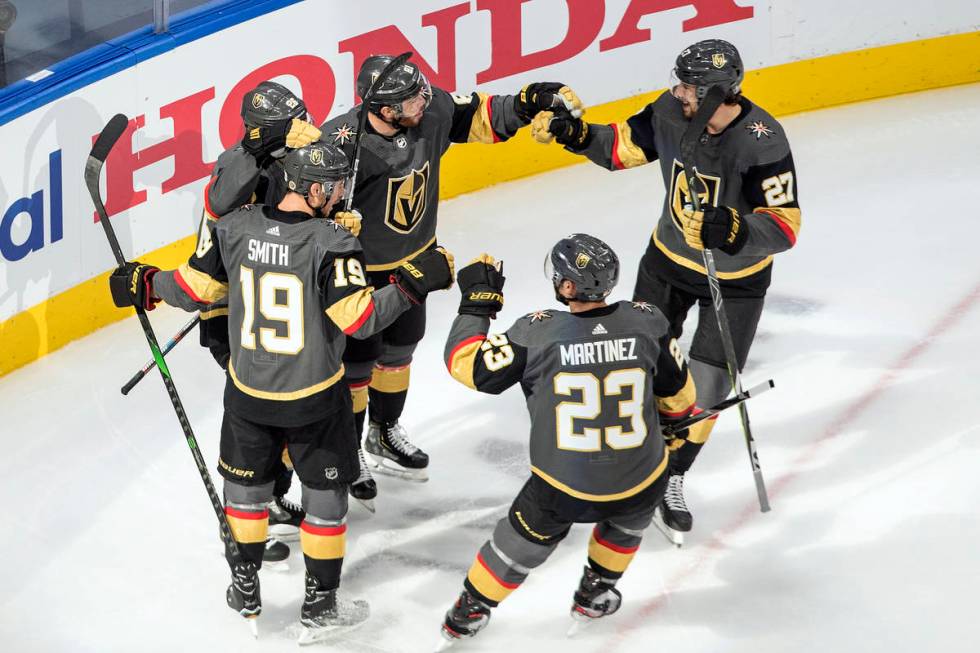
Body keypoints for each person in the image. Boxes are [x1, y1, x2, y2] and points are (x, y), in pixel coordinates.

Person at [108, 142, 454, 641]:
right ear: (312, 189)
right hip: (314, 398)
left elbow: (191, 290)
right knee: (325, 501)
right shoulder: (332, 242)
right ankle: (319, 606)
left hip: (248, 394)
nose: (341, 194)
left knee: (246, 495)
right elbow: (357, 320)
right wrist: (411, 285)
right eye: (334, 186)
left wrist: (144, 281)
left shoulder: (233, 227)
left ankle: (245, 588)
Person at [531, 39, 801, 535]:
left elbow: (784, 227)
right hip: (668, 264)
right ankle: (635, 460)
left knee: (710, 386)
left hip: (736, 280)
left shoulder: (762, 141)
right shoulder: (670, 112)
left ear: (719, 94)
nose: (677, 92)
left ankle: (672, 473)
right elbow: (623, 147)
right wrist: (576, 134)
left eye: (689, 87)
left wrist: (733, 230)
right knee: (640, 363)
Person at [322, 54, 583, 495]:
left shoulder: (428, 113)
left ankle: (383, 432)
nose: (423, 101)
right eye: (409, 100)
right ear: (384, 110)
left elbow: (480, 113)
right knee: (356, 366)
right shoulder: (342, 144)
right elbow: (305, 197)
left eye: (420, 92)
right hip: (359, 274)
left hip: (417, 263)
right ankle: (350, 448)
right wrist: (327, 224)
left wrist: (528, 100)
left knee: (400, 352)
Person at [436, 234, 695, 645]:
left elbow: (464, 365)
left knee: (515, 548)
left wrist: (477, 305)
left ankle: (469, 611)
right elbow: (681, 402)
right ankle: (595, 592)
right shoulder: (648, 322)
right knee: (627, 523)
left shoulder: (536, 333)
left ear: (569, 286)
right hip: (641, 479)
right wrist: (672, 430)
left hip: (561, 486)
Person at [197, 81, 364, 546]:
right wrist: (259, 149)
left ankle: (268, 494)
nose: (305, 130)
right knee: (260, 411)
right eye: (290, 126)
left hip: (280, 300)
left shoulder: (302, 160)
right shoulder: (239, 162)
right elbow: (220, 207)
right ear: (263, 131)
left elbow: (303, 220)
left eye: (304, 117)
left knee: (287, 405)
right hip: (233, 304)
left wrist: (334, 222)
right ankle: (251, 500)